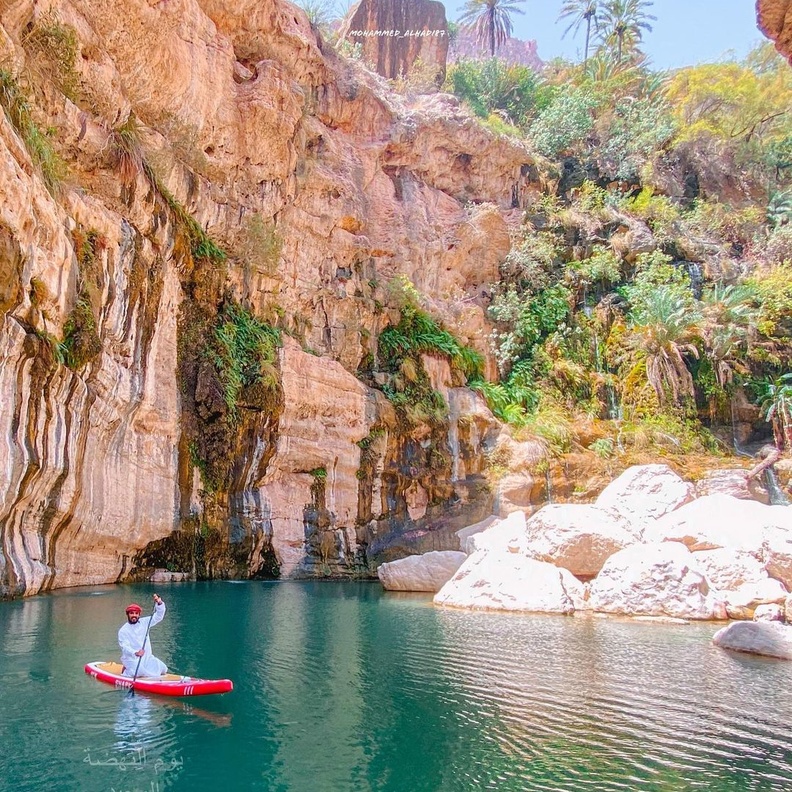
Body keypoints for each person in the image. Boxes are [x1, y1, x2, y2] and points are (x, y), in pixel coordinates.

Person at [118, 594, 168, 678]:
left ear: (139, 615)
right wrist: (135, 653)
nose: (134, 615)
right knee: (139, 672)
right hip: (132, 659)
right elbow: (125, 647)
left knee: (163, 669)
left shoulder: (145, 622)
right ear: (127, 614)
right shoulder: (123, 630)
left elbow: (158, 616)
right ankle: (126, 669)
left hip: (147, 658)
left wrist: (159, 603)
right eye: (131, 613)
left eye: (136, 613)